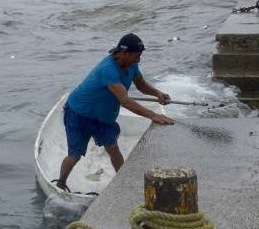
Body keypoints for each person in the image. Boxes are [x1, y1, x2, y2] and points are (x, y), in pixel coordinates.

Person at [55, 33, 174, 192]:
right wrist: (153, 115)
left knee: (113, 148)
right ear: (123, 53)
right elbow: (124, 101)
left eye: (140, 56)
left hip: (104, 117)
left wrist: (157, 93)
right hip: (79, 114)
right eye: (136, 56)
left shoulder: (132, 65)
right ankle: (61, 183)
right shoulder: (108, 69)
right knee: (75, 155)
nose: (138, 60)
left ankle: (124, 182)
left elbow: (141, 85)